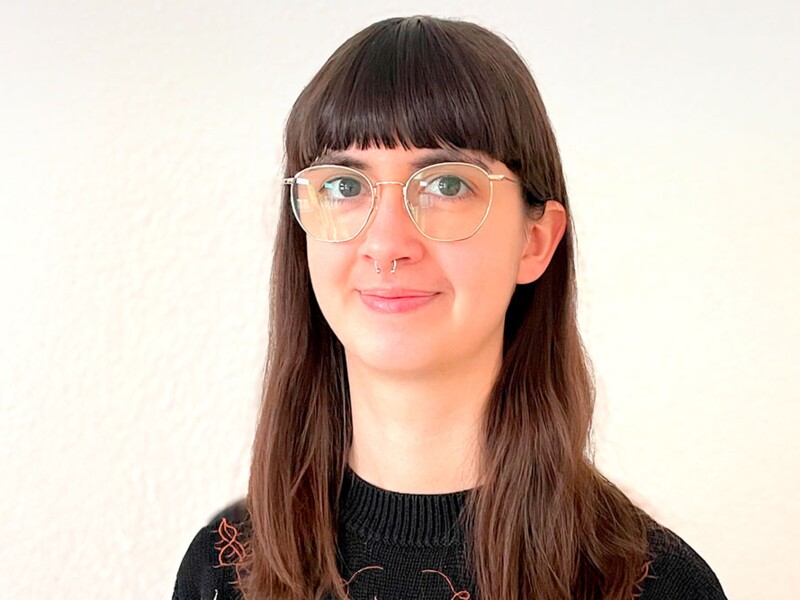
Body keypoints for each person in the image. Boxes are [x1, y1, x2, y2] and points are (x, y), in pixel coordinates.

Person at [172, 15, 728, 600]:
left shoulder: (656, 586)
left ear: (535, 241)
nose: (386, 243)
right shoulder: (224, 569)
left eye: (447, 186)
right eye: (344, 186)